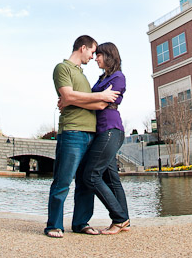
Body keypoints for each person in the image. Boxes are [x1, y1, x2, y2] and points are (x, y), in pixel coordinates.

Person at [45, 35, 119, 238]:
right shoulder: (63, 68)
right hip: (72, 132)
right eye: (93, 51)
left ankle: (81, 222)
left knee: (86, 182)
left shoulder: (84, 77)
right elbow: (68, 95)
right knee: (63, 180)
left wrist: (76, 100)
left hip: (91, 135)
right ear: (83, 48)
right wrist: (96, 96)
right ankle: (54, 225)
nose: (94, 56)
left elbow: (95, 104)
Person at [70, 41, 130, 234]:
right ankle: (124, 220)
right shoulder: (100, 79)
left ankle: (119, 218)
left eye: (99, 55)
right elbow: (96, 97)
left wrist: (73, 101)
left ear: (109, 56)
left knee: (91, 175)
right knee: (111, 177)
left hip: (110, 130)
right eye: (95, 55)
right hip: (101, 131)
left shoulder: (119, 77)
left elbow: (105, 103)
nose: (96, 58)